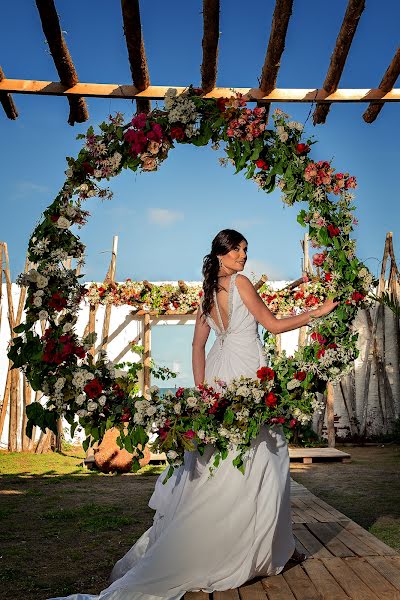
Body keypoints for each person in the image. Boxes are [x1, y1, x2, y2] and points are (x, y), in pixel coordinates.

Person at [49, 229, 337, 600]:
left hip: (220, 375)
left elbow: (197, 346)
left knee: (223, 459)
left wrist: (203, 391)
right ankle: (257, 548)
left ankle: (256, 543)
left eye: (246, 251)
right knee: (264, 455)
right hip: (247, 373)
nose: (244, 257)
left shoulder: (206, 295)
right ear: (222, 254)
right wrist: (319, 311)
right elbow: (274, 325)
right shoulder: (240, 283)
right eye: (239, 250)